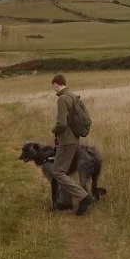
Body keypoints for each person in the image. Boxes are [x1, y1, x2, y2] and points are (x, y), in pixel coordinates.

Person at [51, 74, 95, 216]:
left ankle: (83, 197)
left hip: (66, 140)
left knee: (57, 171)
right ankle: (65, 202)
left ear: (56, 84)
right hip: (74, 138)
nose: (54, 90)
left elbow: (62, 123)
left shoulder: (63, 99)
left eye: (54, 87)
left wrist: (54, 130)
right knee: (64, 171)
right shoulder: (72, 95)